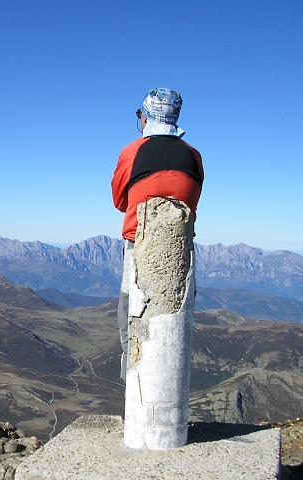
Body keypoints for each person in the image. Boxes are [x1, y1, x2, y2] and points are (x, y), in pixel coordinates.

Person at [111, 87, 204, 381]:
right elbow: (191, 202)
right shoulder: (194, 155)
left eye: (139, 115)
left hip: (137, 246)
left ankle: (132, 382)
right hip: (182, 250)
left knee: (129, 315)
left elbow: (119, 201)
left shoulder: (131, 152)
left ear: (146, 118)